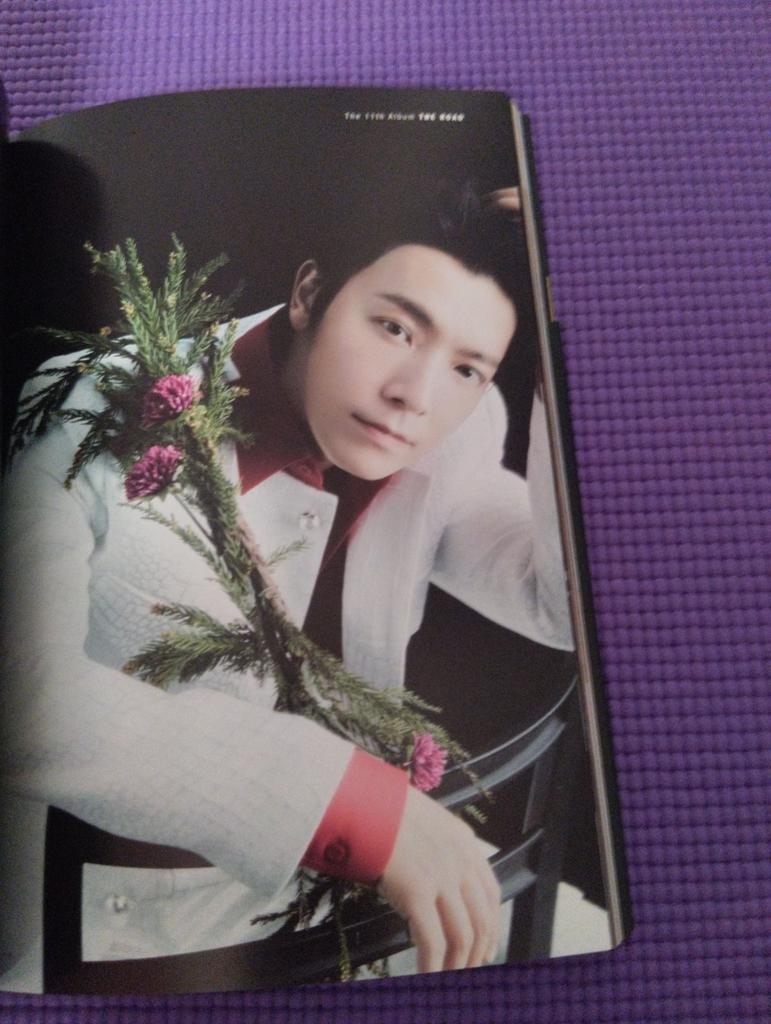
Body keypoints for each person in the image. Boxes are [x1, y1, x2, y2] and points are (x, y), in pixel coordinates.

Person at [0, 183, 573, 991]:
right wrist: (345, 802)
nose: (414, 394)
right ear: (309, 294)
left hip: (347, 904)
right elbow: (21, 696)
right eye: (393, 327)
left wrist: (572, 352)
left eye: (466, 367)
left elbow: (561, 606)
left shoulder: (458, 427)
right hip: (99, 927)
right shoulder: (85, 405)